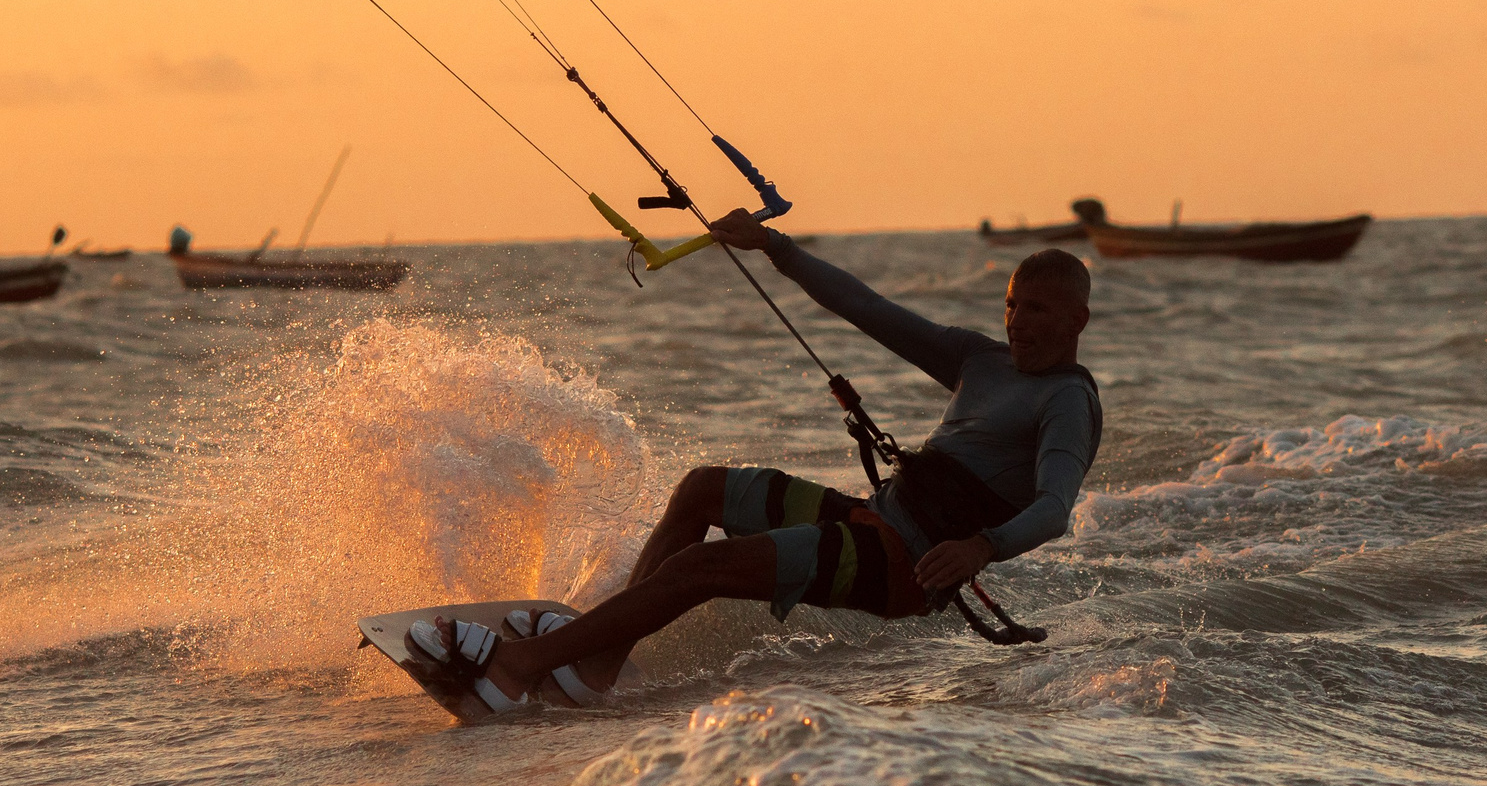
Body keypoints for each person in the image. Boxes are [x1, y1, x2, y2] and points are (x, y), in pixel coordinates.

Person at [409, 209, 1101, 712]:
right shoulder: (979, 360)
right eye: (1012, 305)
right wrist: (775, 247)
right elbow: (866, 305)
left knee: (700, 569)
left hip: (900, 567)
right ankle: (594, 665)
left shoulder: (1067, 402)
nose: (1019, 323)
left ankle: (519, 665)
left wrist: (981, 547)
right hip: (873, 520)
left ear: (1077, 321)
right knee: (703, 490)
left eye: (1038, 310)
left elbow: (1053, 509)